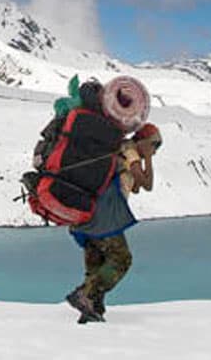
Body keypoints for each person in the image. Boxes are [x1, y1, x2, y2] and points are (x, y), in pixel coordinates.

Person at [66, 122, 161, 323]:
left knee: (97, 266)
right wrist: (148, 159)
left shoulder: (120, 151)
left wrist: (138, 165)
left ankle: (92, 311)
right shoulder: (130, 151)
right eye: (155, 145)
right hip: (104, 218)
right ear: (144, 141)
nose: (155, 150)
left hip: (87, 216)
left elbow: (134, 187)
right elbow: (147, 184)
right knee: (121, 259)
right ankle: (85, 294)